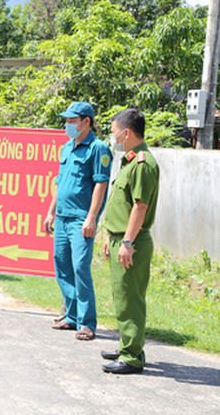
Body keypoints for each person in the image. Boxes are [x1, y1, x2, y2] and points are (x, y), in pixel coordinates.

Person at [44, 102, 112, 341]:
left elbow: (101, 184)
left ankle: (87, 322)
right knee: (62, 266)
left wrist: (92, 218)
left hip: (81, 219)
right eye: (67, 121)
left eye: (73, 121)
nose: (68, 124)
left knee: (80, 267)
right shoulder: (66, 148)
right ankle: (71, 317)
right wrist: (51, 212)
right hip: (62, 217)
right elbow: (59, 183)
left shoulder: (98, 148)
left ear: (86, 122)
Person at [101, 108, 159, 374]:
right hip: (120, 238)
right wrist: (111, 237)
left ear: (126, 132)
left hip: (131, 242)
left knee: (131, 299)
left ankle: (132, 356)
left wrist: (126, 242)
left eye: (114, 133)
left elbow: (140, 207)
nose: (113, 138)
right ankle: (127, 345)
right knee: (121, 296)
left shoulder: (143, 163)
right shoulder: (129, 160)